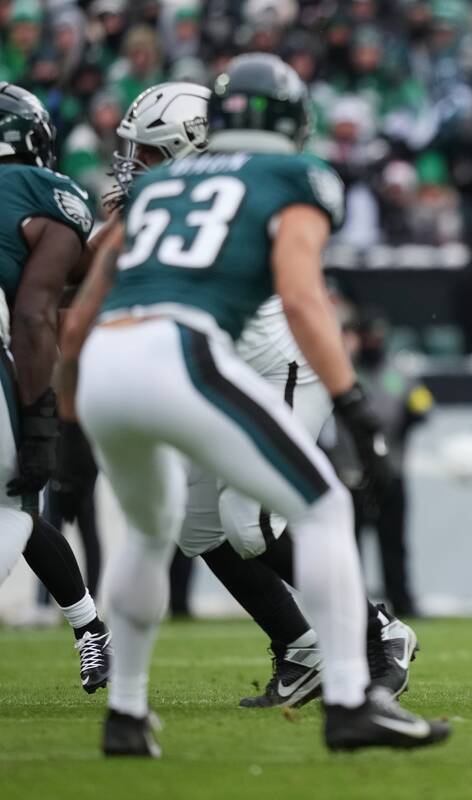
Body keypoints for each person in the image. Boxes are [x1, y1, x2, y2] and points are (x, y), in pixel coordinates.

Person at [57, 54, 449, 756]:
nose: (133, 165)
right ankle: (334, 667)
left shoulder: (167, 190)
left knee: (212, 526)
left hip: (193, 363)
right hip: (197, 355)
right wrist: (354, 404)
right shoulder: (284, 176)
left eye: (147, 151)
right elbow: (304, 293)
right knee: (236, 524)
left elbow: (83, 303)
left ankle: (130, 712)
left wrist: (58, 405)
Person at [0, 83, 113, 694]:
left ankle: (90, 627)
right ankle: (93, 628)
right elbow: (39, 311)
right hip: (13, 356)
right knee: (13, 506)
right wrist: (42, 415)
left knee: (14, 506)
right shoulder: (52, 194)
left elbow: (47, 295)